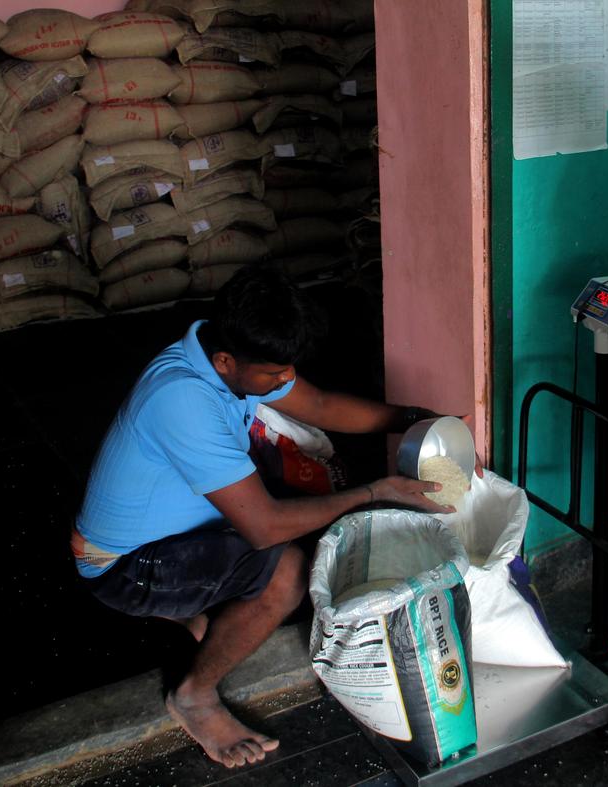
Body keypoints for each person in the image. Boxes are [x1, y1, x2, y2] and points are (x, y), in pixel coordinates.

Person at [72, 266, 455, 769]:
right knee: (287, 571)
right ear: (227, 361)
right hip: (123, 566)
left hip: (175, 530)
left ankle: (193, 610)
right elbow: (265, 528)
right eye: (275, 375)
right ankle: (194, 695)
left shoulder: (225, 357)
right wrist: (374, 491)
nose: (283, 382)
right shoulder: (184, 399)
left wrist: (411, 419)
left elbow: (318, 404)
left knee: (287, 505)